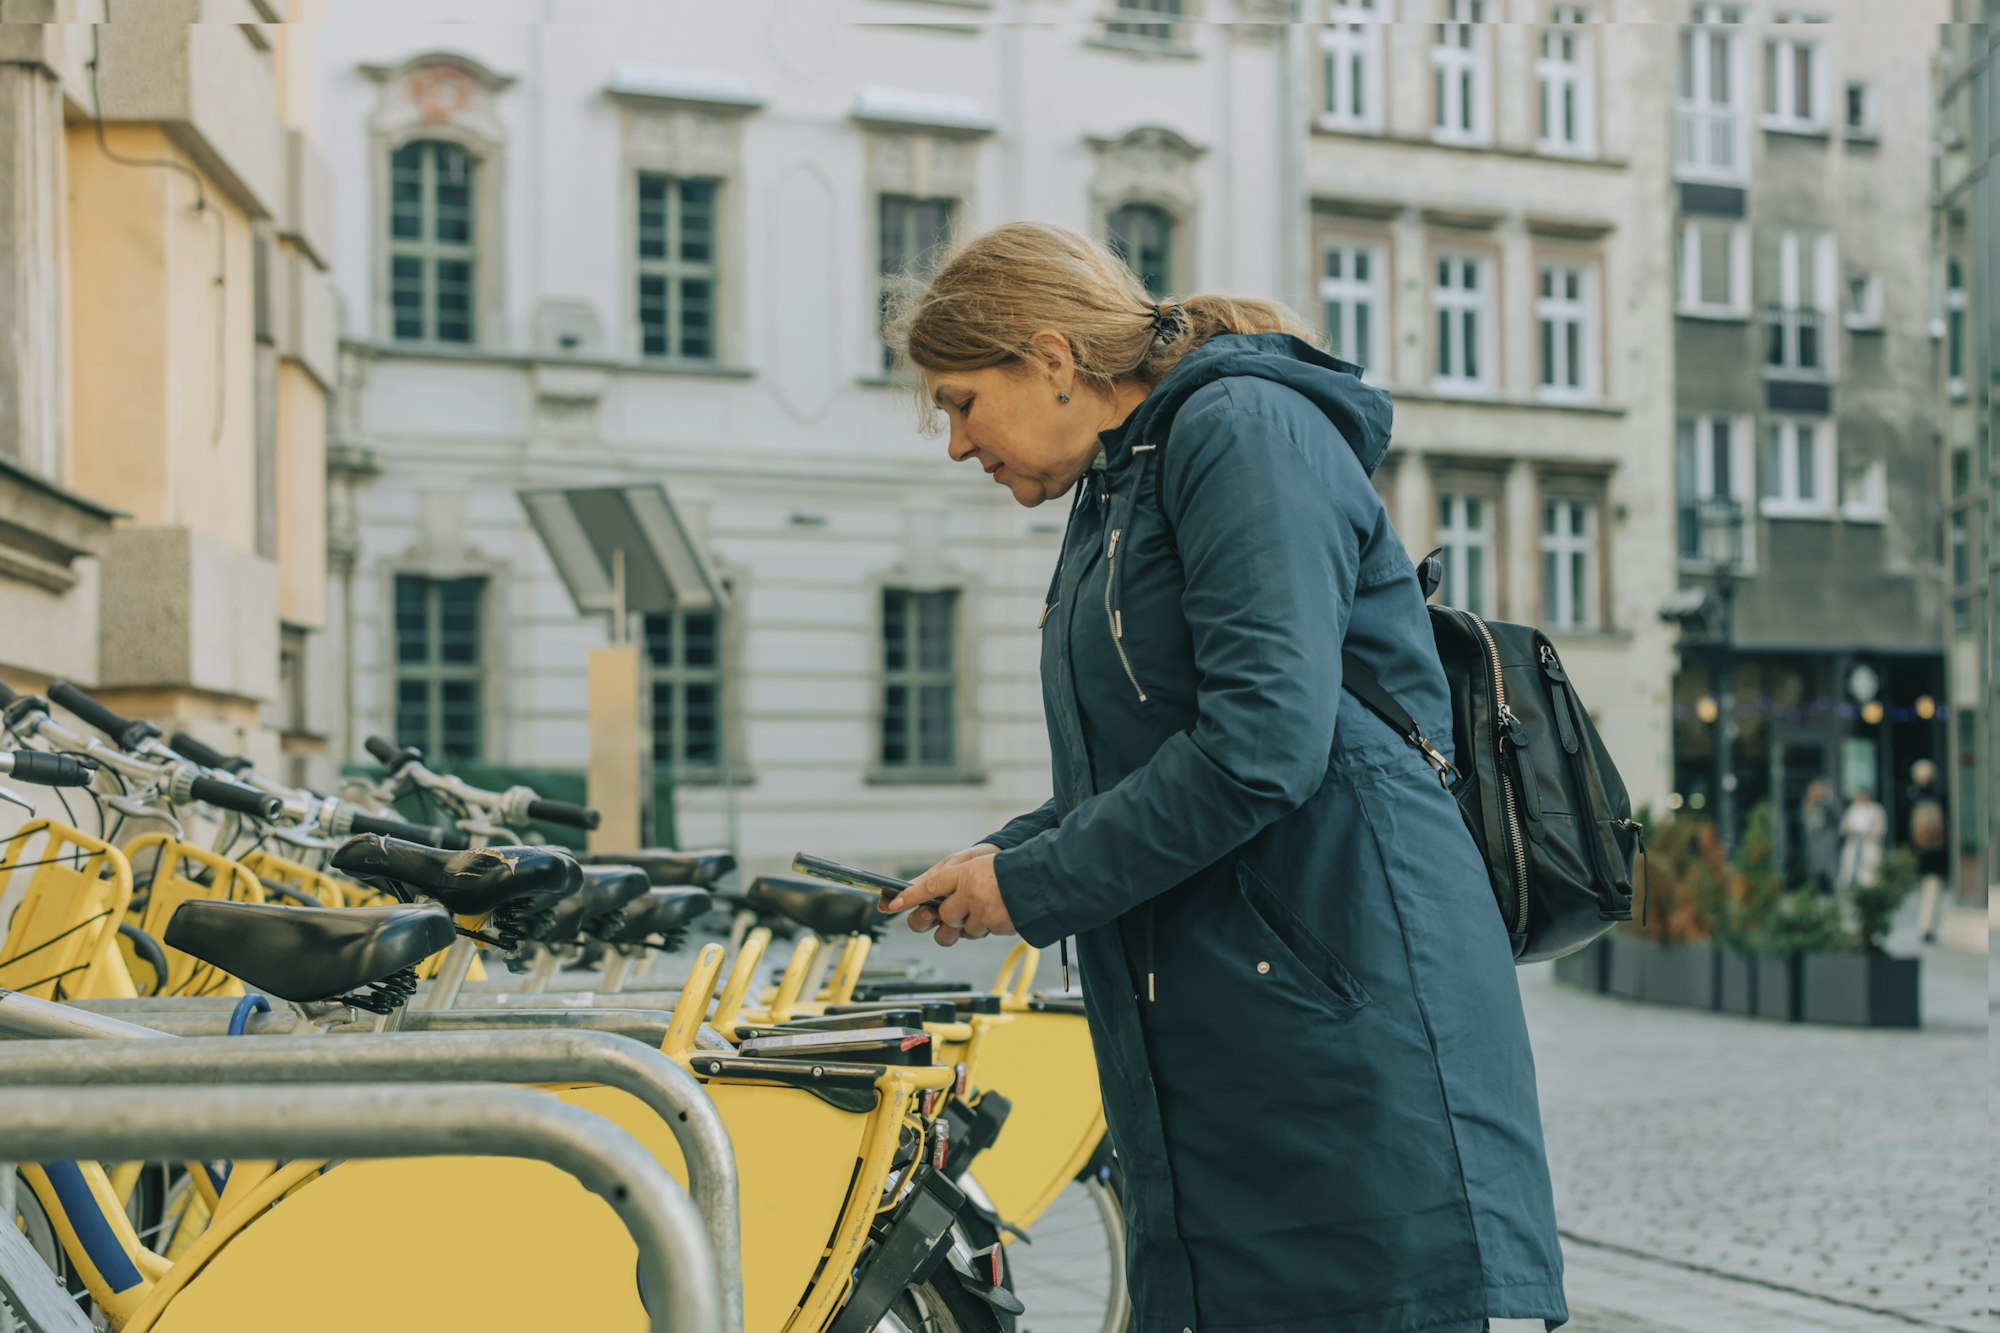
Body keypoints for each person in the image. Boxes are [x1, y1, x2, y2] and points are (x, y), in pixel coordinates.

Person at [877, 221, 1566, 1333]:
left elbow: (1261, 746)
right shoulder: (1127, 479)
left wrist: (1034, 885)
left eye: (959, 401)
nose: (956, 444)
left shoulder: (1240, 429)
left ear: (1049, 358)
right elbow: (1158, 754)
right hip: (1247, 1041)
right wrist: (1011, 854)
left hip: (1342, 1040)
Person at [1906, 759, 1951, 943]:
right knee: (1924, 891)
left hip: (1931, 853)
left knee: (1931, 889)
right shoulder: (1913, 797)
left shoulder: (1933, 797)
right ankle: (1926, 926)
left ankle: (1927, 927)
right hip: (1924, 853)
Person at [1838, 786, 1887, 890]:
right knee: (1850, 875)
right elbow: (1844, 827)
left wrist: (1867, 833)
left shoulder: (1876, 810)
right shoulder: (1852, 809)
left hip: (1869, 846)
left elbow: (1881, 829)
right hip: (1854, 847)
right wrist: (1850, 830)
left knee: (1870, 877)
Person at [1800, 779, 1843, 895]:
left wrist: (1825, 798)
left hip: (1827, 844)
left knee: (1830, 871)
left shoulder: (1828, 805)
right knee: (1815, 871)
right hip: (1814, 845)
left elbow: (1837, 817)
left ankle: (1832, 893)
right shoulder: (1807, 806)